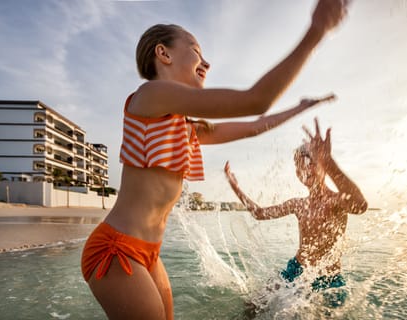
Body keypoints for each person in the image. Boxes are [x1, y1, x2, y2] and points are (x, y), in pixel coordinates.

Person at [81, 1, 347, 319]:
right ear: (163, 54)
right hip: (116, 250)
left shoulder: (184, 127)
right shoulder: (150, 95)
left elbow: (252, 127)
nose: (206, 63)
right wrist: (316, 33)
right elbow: (254, 100)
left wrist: (298, 108)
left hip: (148, 254)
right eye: (195, 51)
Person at [224, 118, 367, 301]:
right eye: (299, 164)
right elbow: (259, 213)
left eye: (311, 161)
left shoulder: (335, 201)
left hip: (328, 279)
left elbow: (360, 205)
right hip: (296, 270)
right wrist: (235, 186)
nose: (305, 168)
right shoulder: (298, 204)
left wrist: (328, 161)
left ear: (323, 166)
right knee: (253, 303)